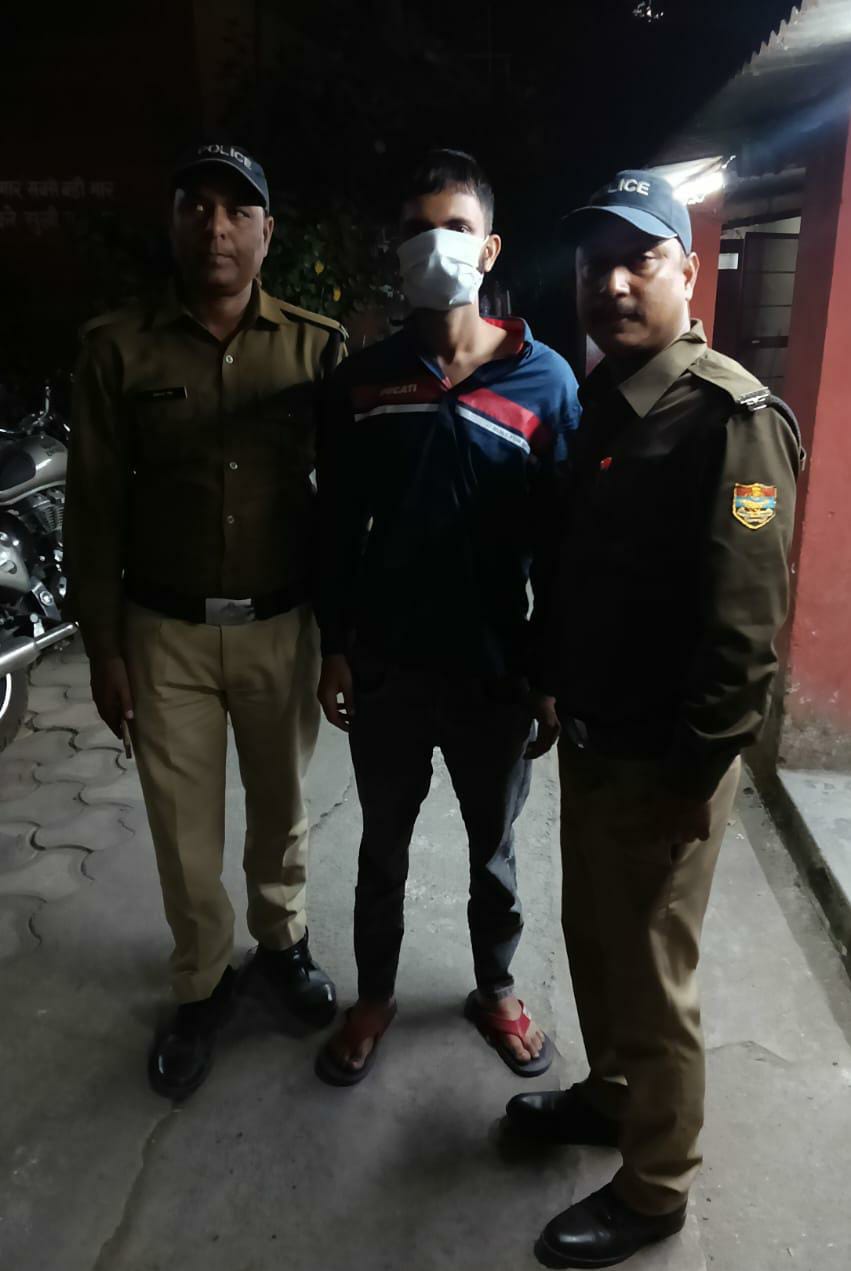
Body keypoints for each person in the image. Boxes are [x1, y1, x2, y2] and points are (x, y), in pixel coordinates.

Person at [506, 171, 804, 1268]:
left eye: (639, 260)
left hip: (665, 764)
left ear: (687, 270)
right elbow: (581, 571)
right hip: (596, 742)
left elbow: (743, 630)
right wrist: (552, 679)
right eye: (597, 266)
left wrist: (692, 778)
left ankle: (655, 1184)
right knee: (597, 942)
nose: (614, 284)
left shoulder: (729, 420)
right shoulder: (608, 399)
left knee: (651, 970)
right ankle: (613, 1093)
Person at [64, 141, 346, 1100]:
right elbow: (93, 507)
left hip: (281, 623)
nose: (216, 228)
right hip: (163, 633)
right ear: (173, 222)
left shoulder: (315, 348)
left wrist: (341, 639)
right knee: (182, 828)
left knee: (281, 807)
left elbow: (345, 505)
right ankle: (201, 981)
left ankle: (283, 943)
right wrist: (103, 646)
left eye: (238, 211)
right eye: (196, 207)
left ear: (268, 232)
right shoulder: (118, 348)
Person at [313, 149, 581, 1085]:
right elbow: (335, 526)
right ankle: (374, 996)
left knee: (492, 851)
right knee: (381, 846)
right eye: (418, 230)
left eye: (456, 228)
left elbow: (559, 545)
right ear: (398, 251)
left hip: (493, 672)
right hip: (386, 666)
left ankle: (495, 988)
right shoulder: (364, 381)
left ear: (489, 247)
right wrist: (333, 648)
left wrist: (547, 674)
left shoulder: (546, 382)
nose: (437, 245)